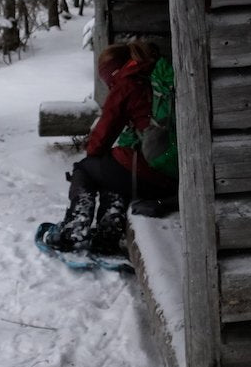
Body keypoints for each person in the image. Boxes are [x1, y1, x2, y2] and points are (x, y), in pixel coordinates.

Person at [43, 40, 177, 255]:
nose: (110, 86)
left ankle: (75, 229)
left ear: (113, 73)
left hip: (151, 172)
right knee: (113, 169)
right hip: (171, 173)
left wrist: (94, 157)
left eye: (108, 81)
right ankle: (107, 235)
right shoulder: (151, 75)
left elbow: (103, 134)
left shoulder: (127, 84)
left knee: (86, 168)